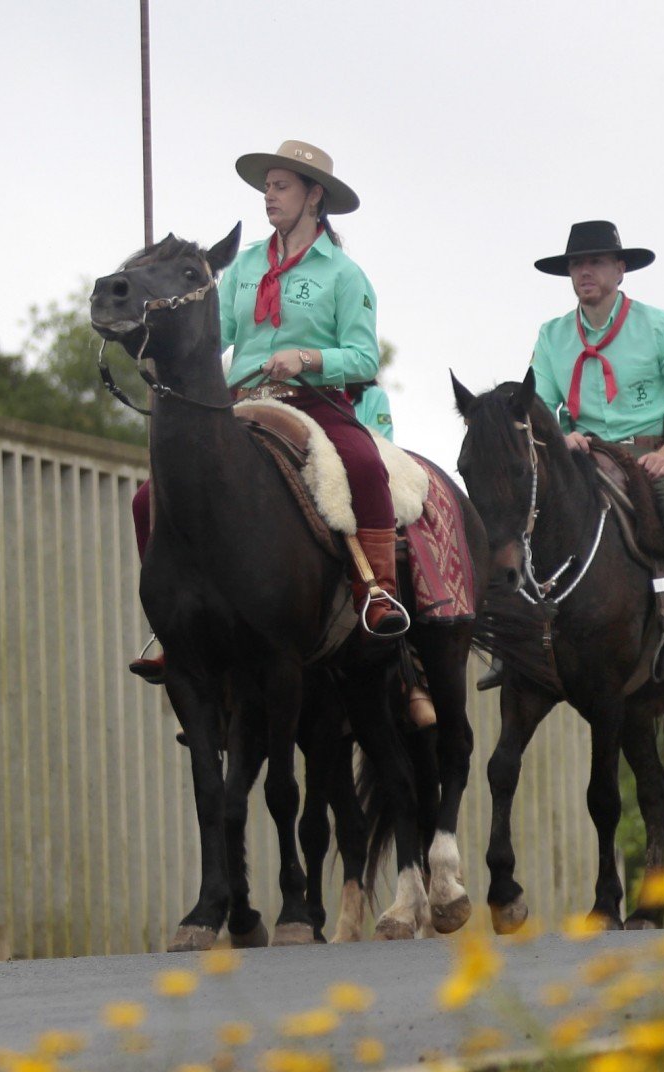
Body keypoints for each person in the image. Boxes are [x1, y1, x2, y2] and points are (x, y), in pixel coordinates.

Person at [129, 138, 401, 680]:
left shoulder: (346, 275)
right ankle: (171, 620)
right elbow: (218, 335)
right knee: (145, 499)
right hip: (240, 403)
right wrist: (159, 323)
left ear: (313, 195)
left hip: (315, 403)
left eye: (281, 187)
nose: (269, 197)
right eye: (266, 188)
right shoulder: (244, 265)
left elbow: (365, 355)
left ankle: (377, 592)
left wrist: (305, 358)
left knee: (367, 465)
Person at [528, 220, 664, 686]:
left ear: (620, 269)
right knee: (523, 511)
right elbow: (535, 403)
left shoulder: (662, 327)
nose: (583, 271)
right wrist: (558, 435)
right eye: (576, 264)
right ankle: (522, 640)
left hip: (647, 459)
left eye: (594, 262)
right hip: (581, 458)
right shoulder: (552, 335)